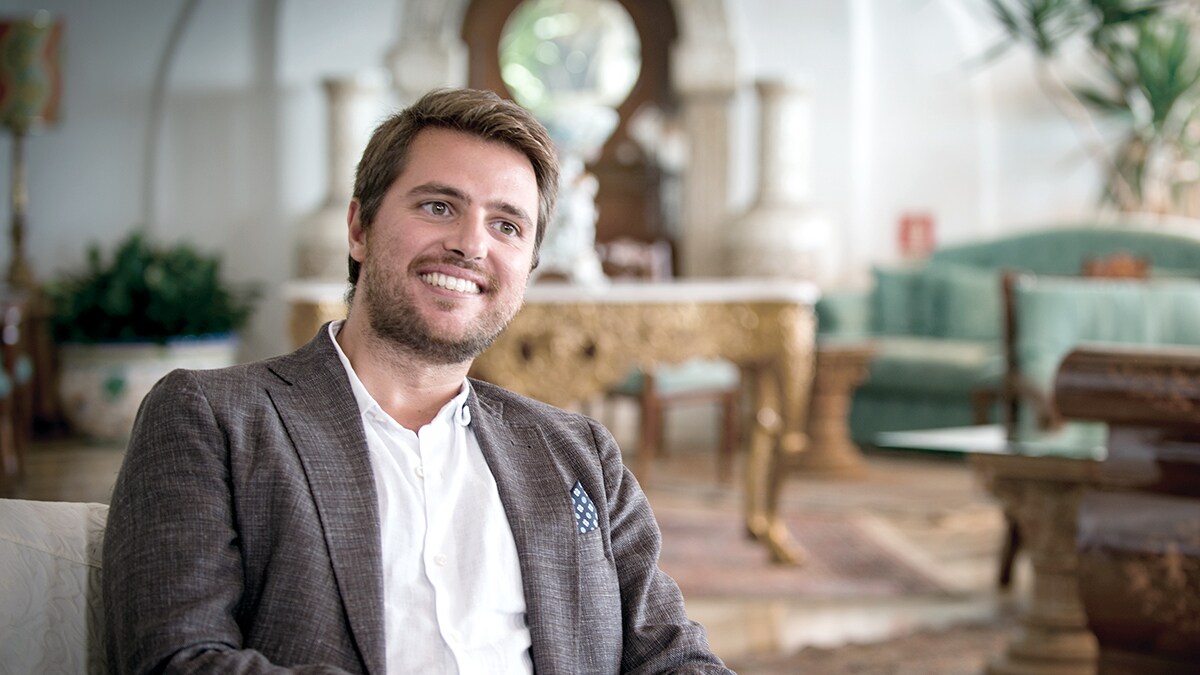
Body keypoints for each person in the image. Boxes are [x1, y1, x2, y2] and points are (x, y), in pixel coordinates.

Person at [103, 87, 731, 674]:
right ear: (359, 229)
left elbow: (676, 659)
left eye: (507, 226)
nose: (471, 245)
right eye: (439, 207)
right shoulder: (212, 418)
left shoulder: (581, 455)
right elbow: (178, 660)